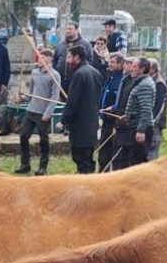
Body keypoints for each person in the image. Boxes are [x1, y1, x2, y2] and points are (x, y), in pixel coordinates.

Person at [56, 45, 103, 173]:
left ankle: (86, 181)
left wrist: (63, 121)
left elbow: (72, 102)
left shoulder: (79, 75)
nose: (67, 60)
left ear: (77, 57)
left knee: (81, 159)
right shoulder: (96, 73)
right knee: (88, 158)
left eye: (69, 57)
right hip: (92, 124)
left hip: (80, 125)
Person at [16, 48, 60, 174]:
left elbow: (54, 96)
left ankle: (43, 167)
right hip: (31, 110)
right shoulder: (34, 73)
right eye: (39, 57)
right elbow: (31, 93)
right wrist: (23, 99)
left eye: (42, 57)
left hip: (43, 113)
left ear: (49, 59)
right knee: (23, 135)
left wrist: (48, 113)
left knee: (44, 140)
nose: (39, 60)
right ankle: (25, 164)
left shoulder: (54, 75)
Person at [99, 52, 126, 161]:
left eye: (113, 62)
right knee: (103, 147)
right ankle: (103, 167)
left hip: (115, 120)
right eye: (109, 61)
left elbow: (122, 99)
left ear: (120, 64)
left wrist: (113, 109)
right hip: (106, 118)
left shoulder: (122, 79)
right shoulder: (111, 76)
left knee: (112, 148)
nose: (109, 64)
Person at [145, 57, 167, 162]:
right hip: (149, 121)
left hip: (155, 123)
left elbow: (159, 106)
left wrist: (151, 121)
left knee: (152, 150)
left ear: (153, 69)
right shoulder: (149, 80)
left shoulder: (159, 84)